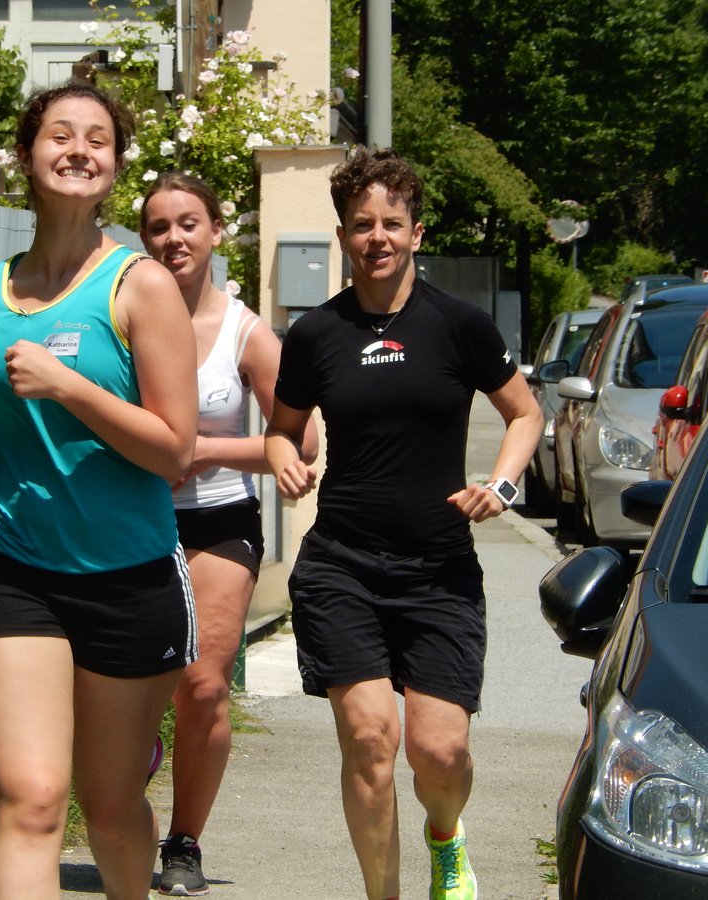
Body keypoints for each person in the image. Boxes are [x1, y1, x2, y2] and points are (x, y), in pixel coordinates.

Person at [0, 82, 199, 900]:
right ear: (26, 155)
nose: (79, 150)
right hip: (10, 566)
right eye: (60, 134)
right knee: (31, 800)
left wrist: (70, 387)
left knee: (111, 807)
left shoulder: (140, 287)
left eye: (97, 138)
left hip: (128, 576)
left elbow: (174, 450)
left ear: (114, 166)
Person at [263, 148, 542, 900]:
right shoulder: (317, 333)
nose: (377, 237)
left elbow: (525, 413)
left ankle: (445, 836)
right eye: (362, 225)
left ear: (416, 233)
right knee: (369, 740)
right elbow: (282, 429)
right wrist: (284, 460)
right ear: (343, 236)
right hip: (342, 565)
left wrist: (502, 485)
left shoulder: (460, 325)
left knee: (439, 753)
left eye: (392, 223)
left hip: (438, 570)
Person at [138, 173, 318, 896]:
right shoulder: (120, 317)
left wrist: (206, 449)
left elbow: (300, 441)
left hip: (217, 521)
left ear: (216, 231)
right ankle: (134, 766)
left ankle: (183, 842)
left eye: (189, 223)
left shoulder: (246, 332)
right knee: (128, 685)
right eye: (158, 227)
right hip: (131, 518)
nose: (174, 239)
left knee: (203, 684)